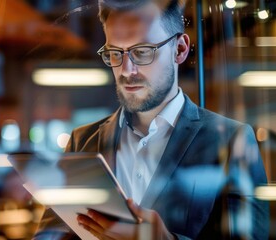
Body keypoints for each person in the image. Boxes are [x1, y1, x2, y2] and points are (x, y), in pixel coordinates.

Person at [33, 0, 269, 239]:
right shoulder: (81, 141)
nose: (126, 70)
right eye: (115, 53)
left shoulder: (231, 141)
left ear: (179, 49)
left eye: (142, 52)